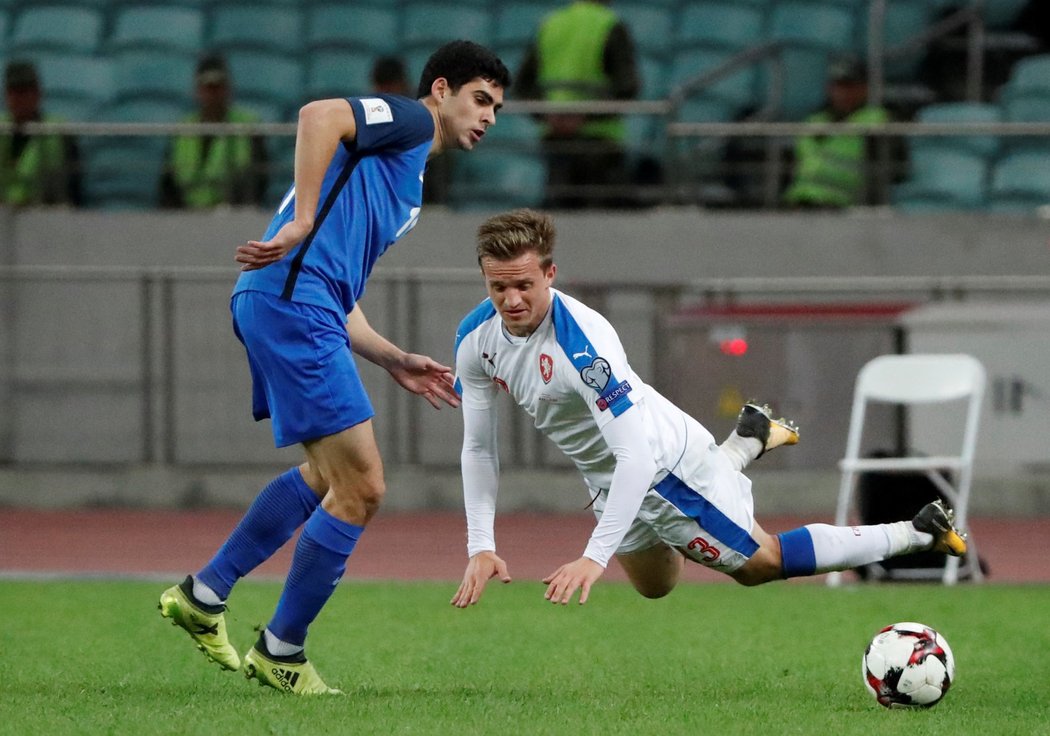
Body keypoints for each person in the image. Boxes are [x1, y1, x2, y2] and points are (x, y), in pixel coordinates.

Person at [158, 40, 511, 695]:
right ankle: (281, 650)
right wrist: (304, 219)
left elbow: (338, 288)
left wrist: (393, 356)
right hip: (292, 301)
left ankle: (204, 595)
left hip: (286, 300)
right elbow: (319, 114)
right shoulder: (410, 122)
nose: (489, 116)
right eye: (480, 99)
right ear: (440, 90)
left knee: (328, 474)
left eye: (497, 107)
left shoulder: (405, 169)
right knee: (365, 487)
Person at [450, 209, 968, 608]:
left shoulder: (584, 347)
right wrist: (480, 544)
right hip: (608, 475)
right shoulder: (475, 338)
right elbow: (477, 447)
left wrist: (592, 556)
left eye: (525, 285)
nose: (512, 300)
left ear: (550, 274)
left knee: (760, 564)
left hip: (659, 466)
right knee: (656, 586)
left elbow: (635, 458)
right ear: (484, 280)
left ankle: (915, 531)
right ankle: (744, 444)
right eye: (499, 287)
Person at [515, 0, 640, 209]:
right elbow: (627, 87)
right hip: (600, 142)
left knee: (560, 216)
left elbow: (521, 86)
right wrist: (584, 116)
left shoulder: (550, 24)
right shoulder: (609, 24)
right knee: (603, 221)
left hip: (556, 139)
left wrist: (548, 115)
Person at [158, 53, 269, 208]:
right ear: (198, 90)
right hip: (186, 215)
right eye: (208, 87)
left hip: (231, 214)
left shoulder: (248, 125)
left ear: (228, 89)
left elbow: (258, 178)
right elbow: (168, 182)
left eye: (218, 87)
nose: (213, 94)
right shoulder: (183, 128)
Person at [783, 58, 891, 209]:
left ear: (864, 88)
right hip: (800, 200)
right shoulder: (814, 120)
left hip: (844, 204)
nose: (842, 92)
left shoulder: (876, 119)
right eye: (838, 86)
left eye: (849, 86)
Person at [0, 60, 82, 206]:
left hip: (45, 214)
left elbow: (73, 185)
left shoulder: (59, 131)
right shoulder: (2, 129)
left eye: (24, 92)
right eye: (13, 92)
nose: (19, 99)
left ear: (37, 94)